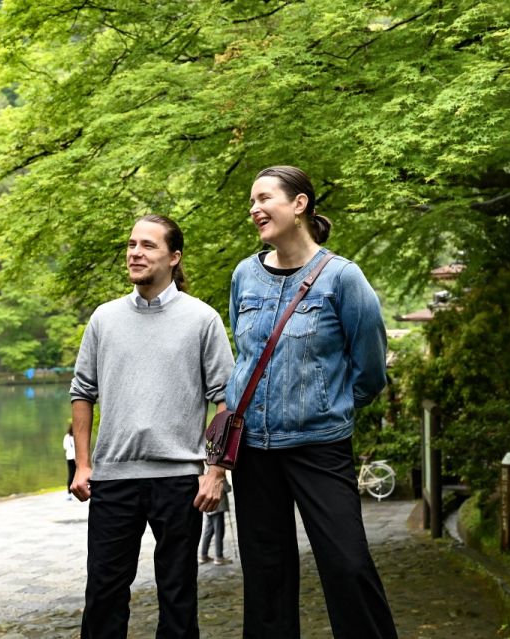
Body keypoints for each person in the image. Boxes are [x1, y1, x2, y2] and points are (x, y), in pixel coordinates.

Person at [226, 166, 397, 638]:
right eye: (251, 203)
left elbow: (370, 371)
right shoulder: (245, 275)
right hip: (254, 450)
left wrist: (328, 405)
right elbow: (244, 357)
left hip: (319, 446)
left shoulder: (343, 278)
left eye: (264, 199)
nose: (255, 209)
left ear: (299, 204)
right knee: (266, 577)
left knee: (348, 565)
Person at [69, 214, 235, 638]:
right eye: (131, 245)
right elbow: (82, 391)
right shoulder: (104, 319)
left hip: (180, 479)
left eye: (147, 245)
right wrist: (83, 466)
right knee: (103, 595)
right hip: (113, 478)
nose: (135, 253)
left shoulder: (202, 319)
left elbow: (226, 401)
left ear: (174, 257)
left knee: (178, 596)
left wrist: (215, 472)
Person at [198, 473, 232, 566]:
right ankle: (219, 557)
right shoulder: (219, 473)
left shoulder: (205, 474)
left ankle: (203, 556)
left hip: (208, 508)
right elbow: (227, 488)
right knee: (219, 533)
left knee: (208, 532)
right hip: (218, 507)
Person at [64, 425, 76, 500]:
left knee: (71, 475)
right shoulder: (76, 436)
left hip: (69, 457)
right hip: (75, 458)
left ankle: (69, 493)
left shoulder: (66, 437)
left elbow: (65, 447)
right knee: (74, 475)